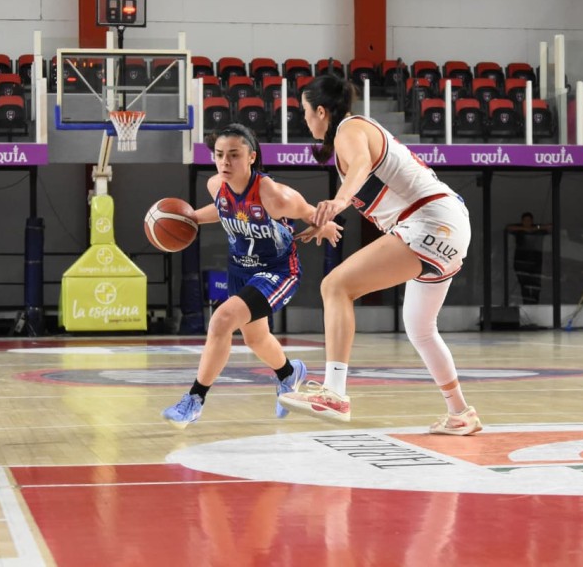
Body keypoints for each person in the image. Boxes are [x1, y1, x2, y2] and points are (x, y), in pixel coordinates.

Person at [278, 74, 480, 436]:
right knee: (420, 328)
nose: (304, 118)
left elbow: (360, 166)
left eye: (305, 111)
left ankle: (335, 393)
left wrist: (340, 201)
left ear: (321, 111)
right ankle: (461, 412)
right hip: (447, 224)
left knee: (335, 286)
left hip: (430, 219)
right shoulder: (352, 132)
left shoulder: (348, 129)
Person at [161, 123, 342, 427]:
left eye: (233, 155)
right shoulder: (216, 187)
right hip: (240, 271)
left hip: (277, 272)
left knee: (220, 320)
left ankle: (194, 399)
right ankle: (288, 373)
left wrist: (324, 225)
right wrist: (189, 218)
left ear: (252, 157)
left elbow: (311, 212)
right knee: (256, 338)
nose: (225, 162)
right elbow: (224, 210)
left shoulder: (276, 196)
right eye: (219, 155)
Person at [506, 212, 552, 305]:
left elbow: (550, 227)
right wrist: (525, 229)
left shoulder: (537, 229)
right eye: (525, 220)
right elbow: (508, 228)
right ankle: (527, 304)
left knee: (536, 284)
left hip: (535, 262)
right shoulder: (519, 230)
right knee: (524, 285)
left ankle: (535, 304)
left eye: (529, 220)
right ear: (522, 221)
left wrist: (535, 228)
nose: (527, 222)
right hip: (521, 263)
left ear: (532, 221)